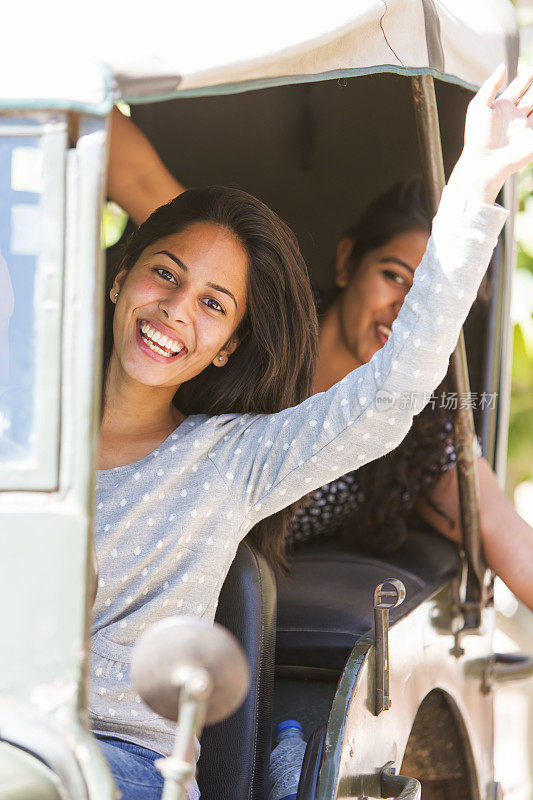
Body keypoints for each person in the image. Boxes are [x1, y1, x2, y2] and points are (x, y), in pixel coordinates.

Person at [94, 65, 533, 800]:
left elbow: (394, 391)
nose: (175, 310)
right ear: (120, 278)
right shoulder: (24, 435)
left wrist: (472, 184)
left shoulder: (229, 457)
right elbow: (123, 164)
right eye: (164, 275)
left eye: (212, 303)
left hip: (118, 762)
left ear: (230, 342)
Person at [286, 176, 533, 612]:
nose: (407, 310)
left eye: (430, 299)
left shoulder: (424, 423)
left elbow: (508, 538)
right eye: (395, 276)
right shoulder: (261, 340)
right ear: (347, 262)